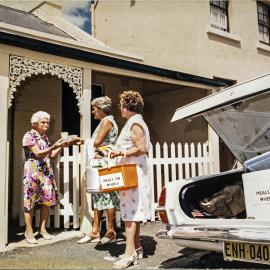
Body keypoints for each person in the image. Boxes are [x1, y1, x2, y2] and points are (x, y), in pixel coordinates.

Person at [110, 90, 151, 269]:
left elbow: (141, 147)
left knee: (130, 212)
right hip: (133, 171)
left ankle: (129, 254)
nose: (120, 108)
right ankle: (137, 247)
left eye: (121, 105)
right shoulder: (134, 122)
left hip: (133, 172)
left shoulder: (134, 123)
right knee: (133, 210)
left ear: (127, 107)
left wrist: (121, 152)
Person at [77, 96, 119, 244]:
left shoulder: (107, 122)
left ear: (101, 109)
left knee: (107, 196)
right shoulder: (104, 122)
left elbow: (97, 142)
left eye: (94, 109)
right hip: (99, 163)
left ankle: (110, 230)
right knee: (98, 195)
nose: (93, 112)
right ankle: (95, 230)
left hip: (106, 163)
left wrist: (80, 140)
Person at [22, 111, 65, 244]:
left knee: (47, 199)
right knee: (30, 201)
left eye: (47, 122)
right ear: (35, 123)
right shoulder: (29, 135)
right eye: (43, 122)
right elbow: (38, 153)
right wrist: (54, 146)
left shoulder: (45, 138)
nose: (46, 124)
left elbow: (51, 155)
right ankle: (28, 231)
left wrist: (62, 145)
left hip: (45, 171)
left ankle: (42, 229)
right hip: (33, 171)